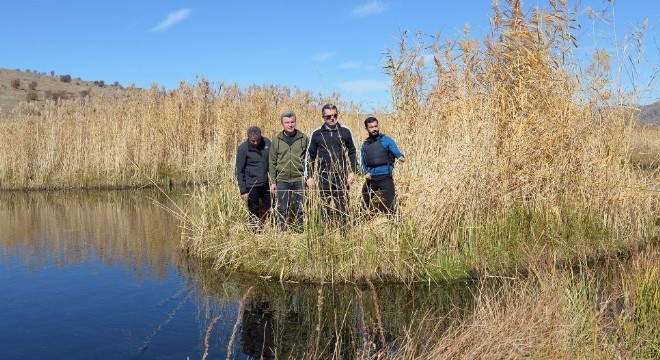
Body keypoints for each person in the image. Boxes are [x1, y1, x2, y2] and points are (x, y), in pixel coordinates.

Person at [305, 104, 357, 225]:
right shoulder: (317, 133)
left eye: (335, 115)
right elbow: (310, 155)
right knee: (323, 209)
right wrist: (310, 176)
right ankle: (324, 235)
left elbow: (353, 151)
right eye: (328, 116)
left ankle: (345, 234)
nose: (332, 118)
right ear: (323, 117)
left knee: (343, 208)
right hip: (323, 177)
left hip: (341, 177)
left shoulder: (345, 131)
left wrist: (352, 171)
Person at [269, 111, 309, 232]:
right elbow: (272, 162)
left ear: (295, 122)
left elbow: (309, 159)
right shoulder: (277, 140)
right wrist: (273, 181)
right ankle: (283, 231)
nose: (290, 125)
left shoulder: (304, 138)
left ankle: (300, 230)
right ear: (282, 123)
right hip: (282, 179)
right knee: (282, 208)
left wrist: (308, 178)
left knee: (300, 207)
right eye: (287, 122)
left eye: (292, 122)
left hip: (299, 178)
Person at [360, 117, 405, 214]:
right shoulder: (365, 145)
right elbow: (363, 162)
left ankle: (397, 223)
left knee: (392, 204)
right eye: (371, 127)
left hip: (385, 177)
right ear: (366, 129)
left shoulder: (387, 140)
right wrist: (366, 172)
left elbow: (396, 151)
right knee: (363, 201)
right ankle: (358, 222)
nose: (374, 129)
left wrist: (400, 157)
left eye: (376, 126)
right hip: (371, 178)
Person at [235, 126, 271, 230]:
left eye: (257, 140)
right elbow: (239, 171)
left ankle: (273, 228)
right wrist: (243, 191)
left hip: (266, 183)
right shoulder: (243, 148)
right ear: (248, 138)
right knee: (254, 209)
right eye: (253, 141)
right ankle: (255, 231)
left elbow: (272, 161)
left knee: (271, 207)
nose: (255, 143)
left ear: (261, 137)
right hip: (252, 185)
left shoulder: (267, 143)